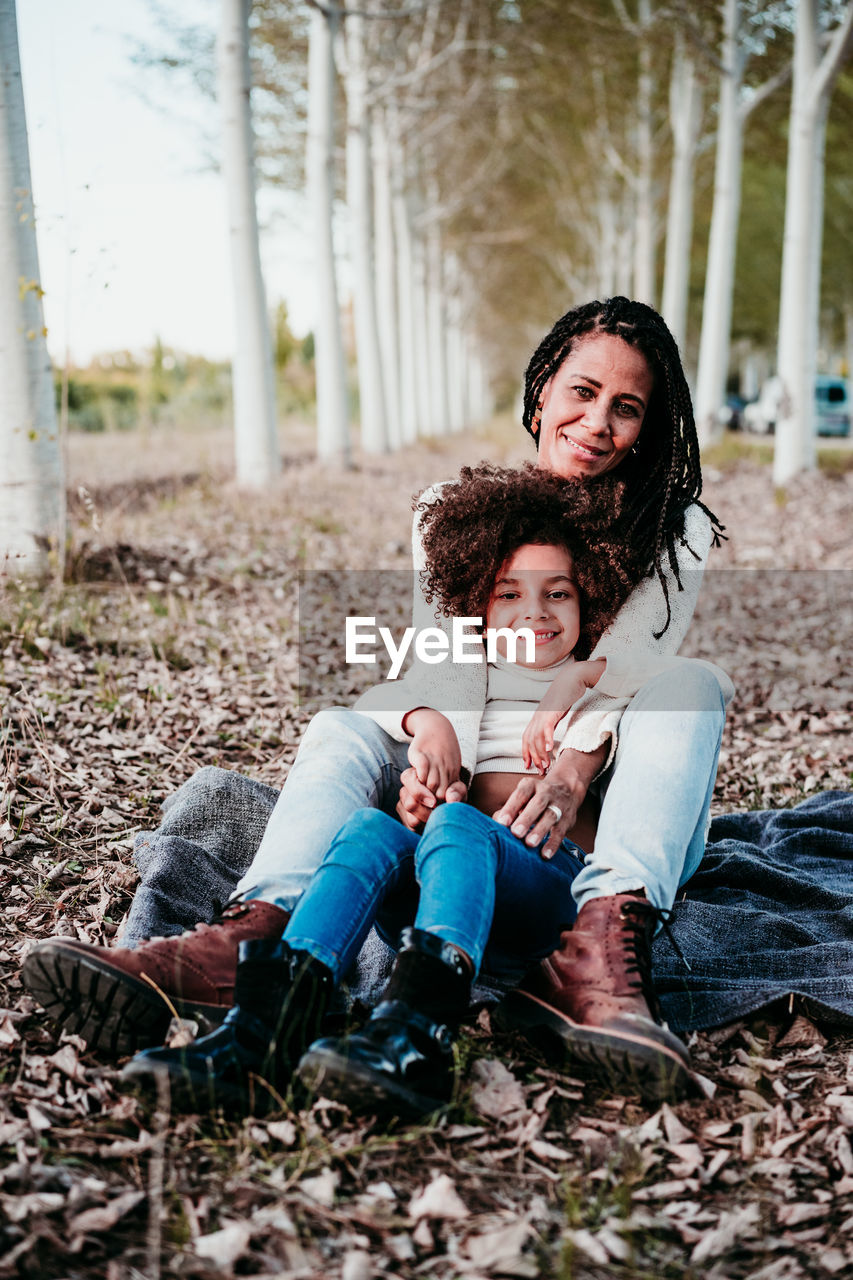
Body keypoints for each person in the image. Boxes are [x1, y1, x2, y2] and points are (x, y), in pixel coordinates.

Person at [22, 295, 726, 1093]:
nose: (597, 421)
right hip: (460, 814)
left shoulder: (672, 528)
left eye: (625, 409)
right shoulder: (450, 513)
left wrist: (567, 761)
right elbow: (439, 656)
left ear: (646, 430)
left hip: (583, 825)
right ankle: (257, 941)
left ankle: (599, 943)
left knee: (689, 683)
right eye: (582, 391)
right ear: (540, 394)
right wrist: (434, 743)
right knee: (344, 727)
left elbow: (635, 659)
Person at [121, 466, 732, 1114]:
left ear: (592, 603)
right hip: (444, 886)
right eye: (509, 596)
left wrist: (578, 681)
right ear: (477, 601)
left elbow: (699, 683)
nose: (535, 613)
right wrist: (428, 728)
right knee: (370, 829)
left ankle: (418, 1030)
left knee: (461, 824)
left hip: (547, 895)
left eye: (558, 594)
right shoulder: (470, 675)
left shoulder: (604, 689)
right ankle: (266, 1028)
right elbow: (379, 698)